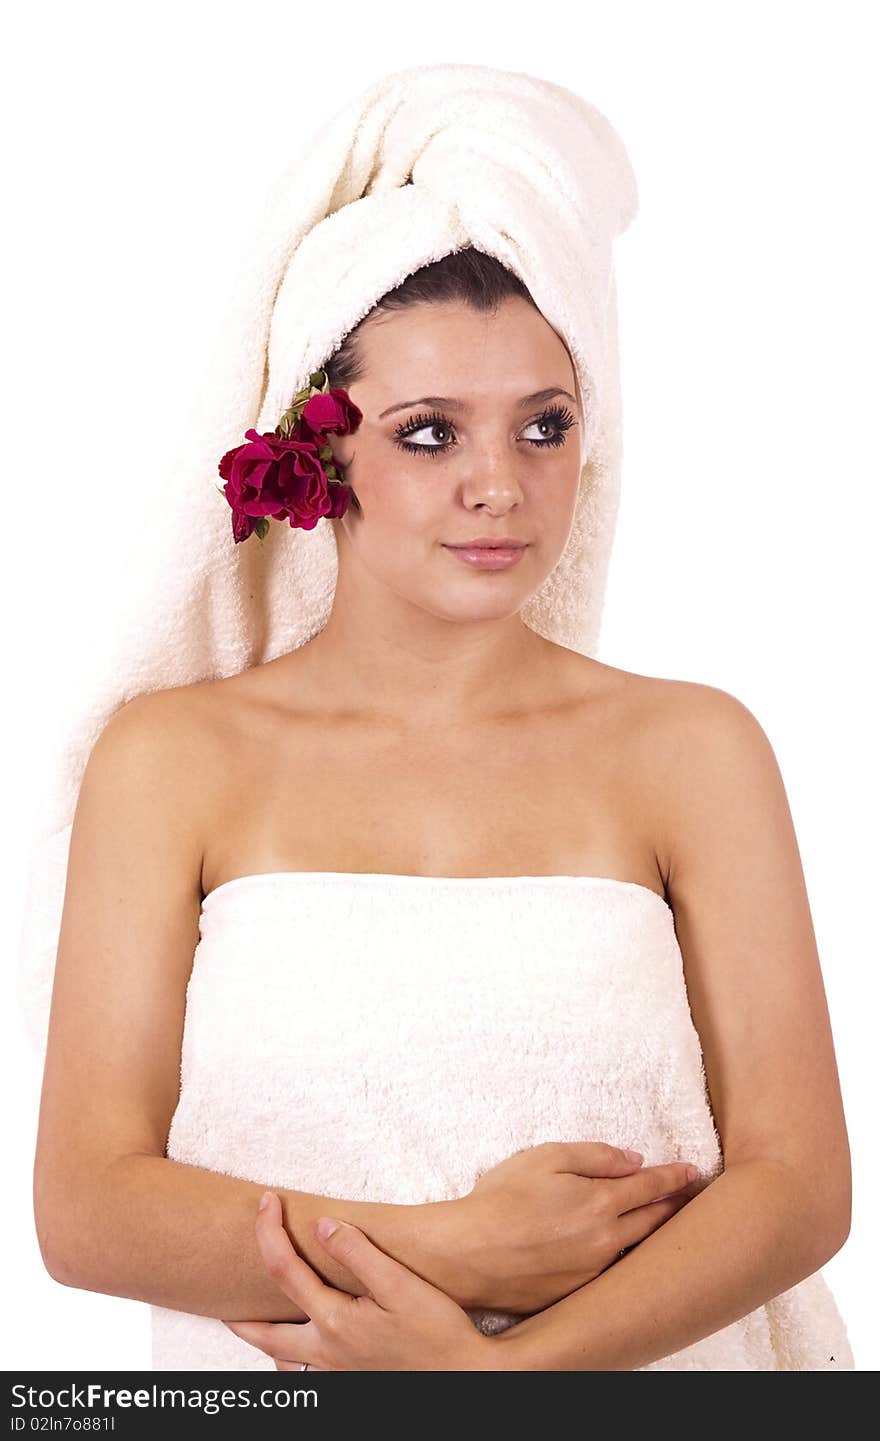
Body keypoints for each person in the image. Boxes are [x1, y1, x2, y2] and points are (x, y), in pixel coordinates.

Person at [23, 65, 854, 1371]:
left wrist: (500, 1376)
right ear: (318, 445)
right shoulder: (175, 760)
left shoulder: (695, 752)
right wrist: (453, 1243)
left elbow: (798, 1181)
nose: (498, 487)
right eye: (428, 434)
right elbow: (87, 1209)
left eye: (543, 426)